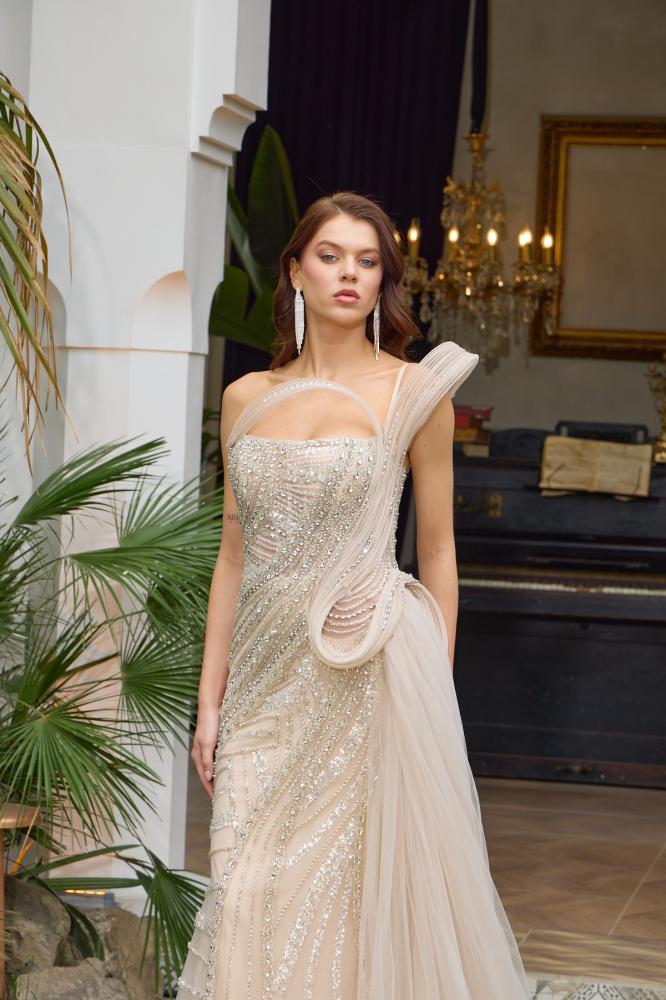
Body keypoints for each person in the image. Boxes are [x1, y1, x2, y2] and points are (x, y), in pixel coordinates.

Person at [176, 191, 532, 999]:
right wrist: (210, 701)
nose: (349, 274)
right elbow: (233, 554)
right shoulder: (244, 396)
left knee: (342, 903)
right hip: (263, 687)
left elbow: (437, 551)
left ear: (383, 282)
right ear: (295, 271)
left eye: (367, 261)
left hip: (365, 672)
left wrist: (432, 688)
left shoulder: (415, 394)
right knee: (245, 887)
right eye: (330, 256)